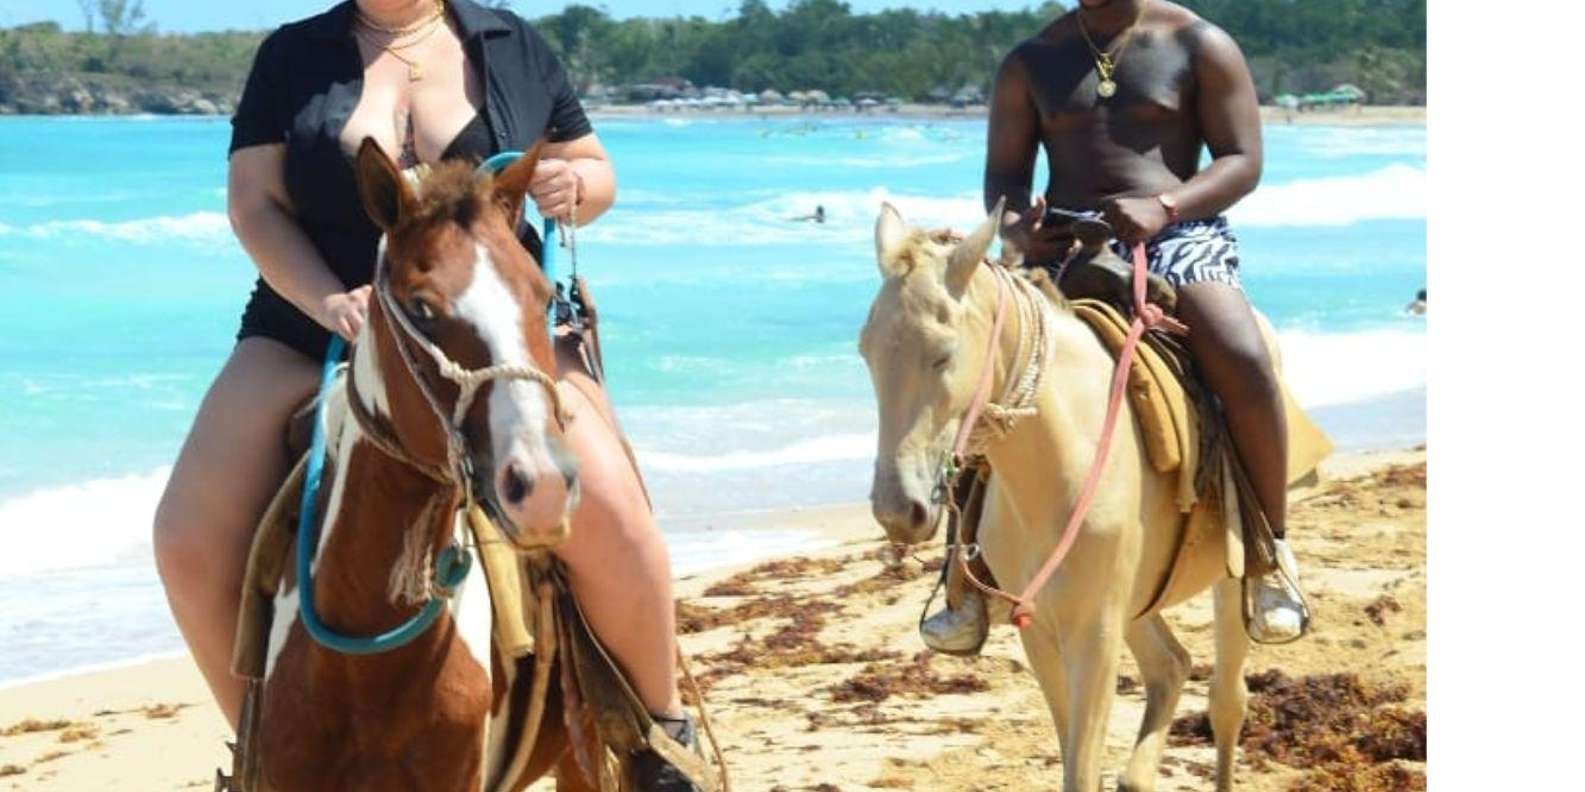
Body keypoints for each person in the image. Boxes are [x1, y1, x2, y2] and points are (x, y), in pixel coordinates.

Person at [150, 2, 701, 787]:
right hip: (313, 329)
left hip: (493, 339)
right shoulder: (291, 54)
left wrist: (572, 183)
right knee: (187, 537)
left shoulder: (511, 45)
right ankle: (259, 743)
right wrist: (327, 301)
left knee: (609, 509)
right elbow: (254, 205)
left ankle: (658, 735)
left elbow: (596, 171)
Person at [921, 0, 1307, 652]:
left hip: (1178, 232)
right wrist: (1019, 228)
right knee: (985, 362)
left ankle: (1270, 552)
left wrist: (1163, 206)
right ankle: (962, 570)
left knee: (1238, 352)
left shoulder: (1196, 43)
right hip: (1067, 241)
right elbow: (1005, 180)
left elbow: (1241, 160)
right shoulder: (1030, 61)